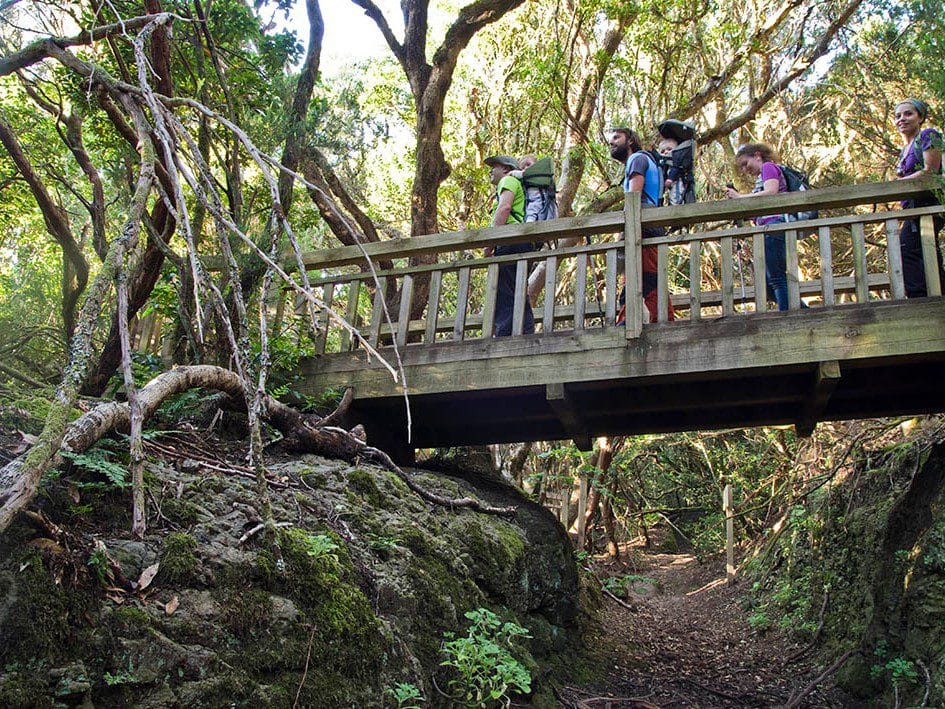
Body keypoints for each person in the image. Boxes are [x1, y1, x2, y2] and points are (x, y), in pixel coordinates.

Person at [609, 127, 674, 323]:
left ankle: (629, 321)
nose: (611, 142)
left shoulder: (637, 159)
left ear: (630, 140)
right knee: (649, 277)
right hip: (649, 226)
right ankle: (664, 320)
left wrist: (625, 233)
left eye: (617, 137)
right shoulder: (644, 160)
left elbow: (633, 198)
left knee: (644, 278)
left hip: (643, 227)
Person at [725, 143, 792, 311]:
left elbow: (771, 192)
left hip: (774, 226)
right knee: (768, 284)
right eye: (741, 167)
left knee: (776, 279)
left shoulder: (768, 167)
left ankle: (788, 316)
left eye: (745, 164)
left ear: (757, 155)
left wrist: (740, 197)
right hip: (766, 228)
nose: (744, 170)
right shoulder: (761, 177)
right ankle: (802, 311)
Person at [893, 97, 944, 298]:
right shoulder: (904, 150)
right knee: (926, 252)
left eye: (908, 114)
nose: (902, 119)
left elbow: (931, 171)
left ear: (920, 117)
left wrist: (898, 184)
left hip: (927, 206)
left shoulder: (928, 136)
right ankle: (937, 295)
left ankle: (921, 298)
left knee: (907, 250)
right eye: (898, 116)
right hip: (912, 209)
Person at [484, 155, 535, 336]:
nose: (491, 171)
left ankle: (504, 336)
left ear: (506, 169)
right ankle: (526, 332)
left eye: (494, 166)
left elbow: (504, 208)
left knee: (504, 292)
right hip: (522, 242)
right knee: (517, 288)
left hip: (509, 241)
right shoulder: (518, 184)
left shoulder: (508, 180)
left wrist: (490, 245)